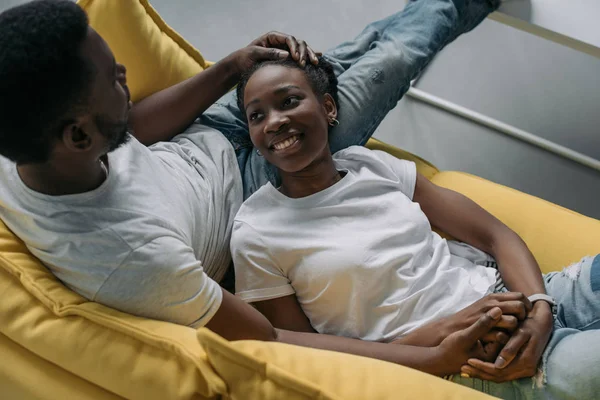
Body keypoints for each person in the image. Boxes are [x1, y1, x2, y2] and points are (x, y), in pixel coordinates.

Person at [0, 0, 507, 375]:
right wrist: (428, 356)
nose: (125, 76)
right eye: (114, 81)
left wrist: (230, 69)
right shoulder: (136, 261)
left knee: (331, 58)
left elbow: (130, 132)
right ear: (80, 136)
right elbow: (269, 336)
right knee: (393, 58)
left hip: (209, 130)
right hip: (267, 178)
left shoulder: (37, 141)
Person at [230, 56, 600, 398]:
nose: (274, 121)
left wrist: (540, 308)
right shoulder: (256, 230)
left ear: (328, 108)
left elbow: (494, 235)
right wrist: (438, 345)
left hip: (517, 294)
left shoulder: (369, 165)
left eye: (289, 101)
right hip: (466, 359)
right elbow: (300, 349)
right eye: (256, 115)